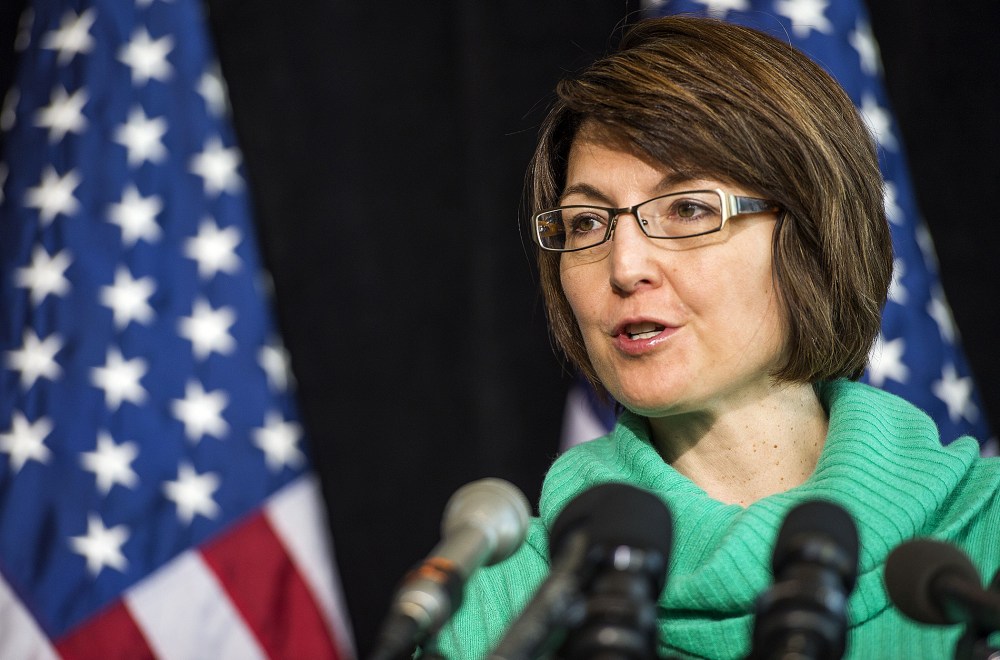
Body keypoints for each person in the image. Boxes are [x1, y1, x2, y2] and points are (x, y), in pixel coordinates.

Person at [433, 15, 1000, 660]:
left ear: (811, 235)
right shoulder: (502, 609)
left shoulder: (987, 534)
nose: (625, 267)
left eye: (688, 209)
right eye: (587, 222)